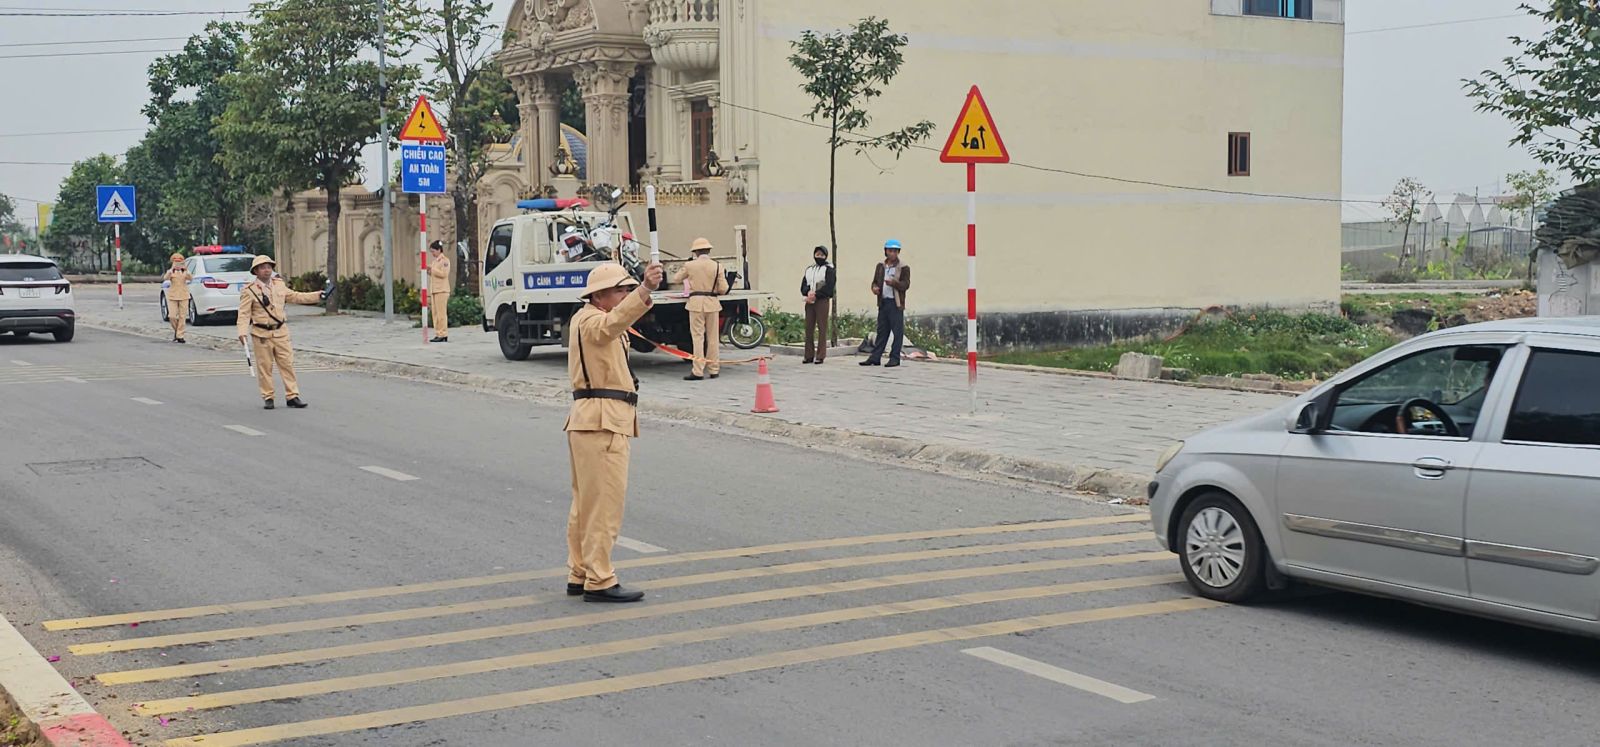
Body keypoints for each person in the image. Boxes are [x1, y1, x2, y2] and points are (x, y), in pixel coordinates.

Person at [565, 260, 665, 603]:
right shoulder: (593, 320)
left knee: (586, 505)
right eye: (620, 290)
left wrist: (639, 298)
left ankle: (580, 571)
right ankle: (600, 578)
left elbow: (619, 325)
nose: (625, 294)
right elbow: (610, 326)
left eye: (626, 289)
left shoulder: (589, 318)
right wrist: (645, 290)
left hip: (592, 418)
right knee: (604, 505)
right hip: (602, 420)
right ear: (601, 295)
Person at [236, 255, 325, 410]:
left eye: (269, 267)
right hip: (261, 333)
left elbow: (296, 296)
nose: (266, 270)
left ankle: (292, 396)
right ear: (256, 271)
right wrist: (242, 332)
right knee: (265, 367)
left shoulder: (279, 285)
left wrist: (318, 295)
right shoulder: (249, 291)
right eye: (262, 267)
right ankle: (268, 396)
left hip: (281, 331)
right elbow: (244, 313)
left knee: (287, 364)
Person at [672, 237, 728, 381]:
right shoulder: (717, 266)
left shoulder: (690, 265)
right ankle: (714, 369)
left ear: (695, 252)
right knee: (713, 338)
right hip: (712, 302)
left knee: (698, 338)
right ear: (709, 250)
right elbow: (723, 288)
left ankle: (698, 370)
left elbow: (676, 279)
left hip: (695, 302)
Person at [863, 239, 911, 367]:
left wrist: (894, 283)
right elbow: (874, 282)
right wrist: (874, 288)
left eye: (895, 251)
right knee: (882, 331)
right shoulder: (881, 266)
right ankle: (875, 357)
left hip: (895, 303)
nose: (892, 254)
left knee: (897, 332)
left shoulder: (903, 267)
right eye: (890, 251)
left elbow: (905, 285)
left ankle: (895, 357)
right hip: (883, 301)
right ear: (885, 251)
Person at [801, 245, 836, 364]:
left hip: (822, 300)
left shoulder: (829, 268)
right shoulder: (810, 269)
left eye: (822, 255)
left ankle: (820, 355)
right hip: (809, 301)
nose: (819, 257)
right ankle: (808, 355)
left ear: (825, 256)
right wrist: (808, 292)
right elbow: (804, 285)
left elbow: (830, 287)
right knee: (809, 328)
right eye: (817, 254)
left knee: (822, 327)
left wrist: (817, 294)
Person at [162, 253, 191, 343]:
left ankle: (180, 335)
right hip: (173, 296)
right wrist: (171, 270)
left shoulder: (185, 271)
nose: (178, 264)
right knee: (172, 316)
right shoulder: (171, 272)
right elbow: (165, 278)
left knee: (182, 316)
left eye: (179, 262)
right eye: (176, 262)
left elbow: (190, 278)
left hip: (184, 295)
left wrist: (186, 270)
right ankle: (177, 331)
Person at [427, 240, 451, 343]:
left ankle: (443, 333)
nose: (432, 254)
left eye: (433, 251)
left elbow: (444, 274)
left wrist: (432, 269)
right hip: (435, 290)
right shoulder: (435, 261)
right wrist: (429, 271)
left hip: (442, 290)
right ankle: (438, 333)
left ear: (439, 250)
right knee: (435, 314)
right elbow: (434, 274)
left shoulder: (445, 261)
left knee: (441, 313)